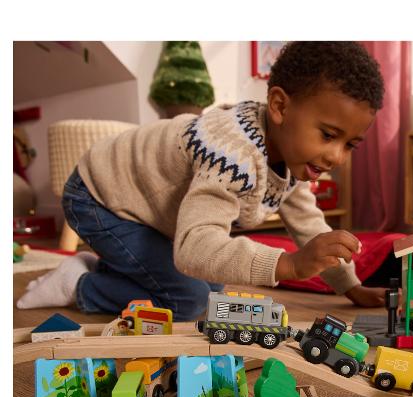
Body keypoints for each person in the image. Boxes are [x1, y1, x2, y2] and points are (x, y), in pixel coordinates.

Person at [17, 41, 387, 320]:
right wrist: (288, 265)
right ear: (279, 106)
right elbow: (194, 248)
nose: (336, 157)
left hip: (147, 207)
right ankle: (80, 284)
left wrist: (350, 285)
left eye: (350, 144)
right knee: (189, 301)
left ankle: (115, 266)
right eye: (327, 135)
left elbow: (309, 224)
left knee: (213, 290)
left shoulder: (291, 154)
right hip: (99, 197)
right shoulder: (232, 155)